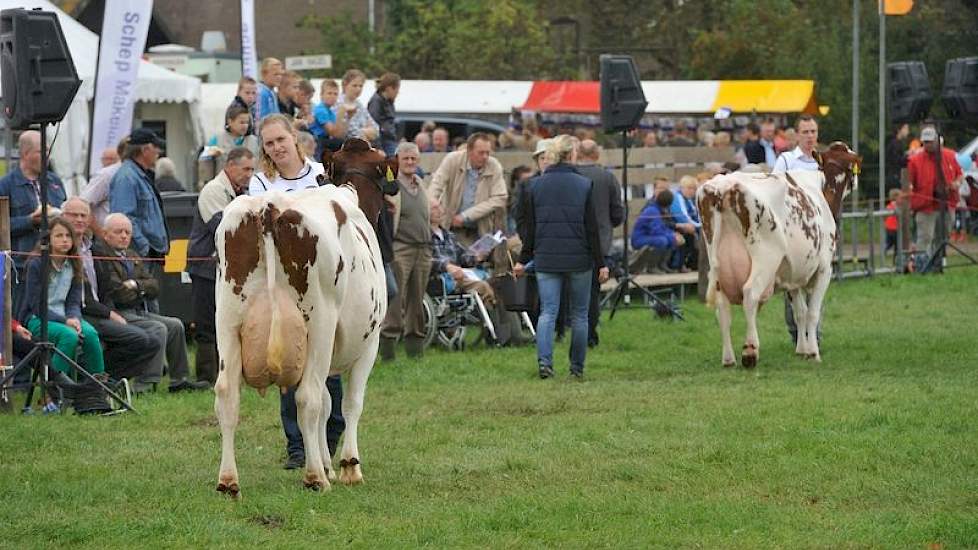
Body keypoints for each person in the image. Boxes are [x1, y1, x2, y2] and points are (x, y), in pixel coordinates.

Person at [248, 113, 344, 470]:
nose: (276, 148)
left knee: (327, 360)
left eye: (281, 140)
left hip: (324, 283)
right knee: (291, 363)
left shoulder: (321, 175)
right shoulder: (260, 183)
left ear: (294, 137)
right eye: (269, 144)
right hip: (285, 285)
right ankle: (298, 445)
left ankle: (332, 434)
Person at [514, 136, 609, 380]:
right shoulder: (584, 184)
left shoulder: (535, 186)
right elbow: (592, 229)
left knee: (548, 312)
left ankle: (545, 364)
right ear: (572, 155)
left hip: (546, 257)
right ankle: (576, 367)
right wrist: (601, 263)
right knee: (579, 315)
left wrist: (523, 260)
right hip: (579, 257)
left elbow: (531, 230)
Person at [92, 213, 209, 392]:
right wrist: (142, 289)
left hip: (139, 310)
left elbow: (155, 286)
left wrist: (135, 286)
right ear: (106, 234)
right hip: (118, 312)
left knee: (176, 325)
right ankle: (145, 383)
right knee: (157, 328)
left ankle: (180, 378)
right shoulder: (101, 256)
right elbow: (117, 294)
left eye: (127, 232)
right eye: (118, 232)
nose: (124, 236)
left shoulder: (131, 255)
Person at [62, 197, 162, 392]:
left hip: (102, 309)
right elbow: (84, 296)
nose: (79, 219)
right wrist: (110, 313)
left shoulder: (91, 248)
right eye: (74, 215)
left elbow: (114, 288)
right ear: (63, 216)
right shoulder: (63, 248)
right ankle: (100, 383)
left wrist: (133, 289)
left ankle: (106, 381)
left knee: (151, 340)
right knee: (142, 338)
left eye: (84, 215)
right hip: (78, 313)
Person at [186, 147, 255, 384]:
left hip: (225, 269)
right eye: (246, 168)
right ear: (230, 166)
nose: (250, 174)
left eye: (252, 169)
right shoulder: (214, 190)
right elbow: (223, 228)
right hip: (205, 267)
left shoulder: (240, 191)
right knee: (207, 324)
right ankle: (206, 377)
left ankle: (229, 372)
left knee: (228, 323)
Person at [17, 217, 106, 379]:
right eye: (59, 236)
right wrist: (65, 321)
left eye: (68, 236)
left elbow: (73, 301)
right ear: (48, 239)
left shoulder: (74, 264)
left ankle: (97, 386)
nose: (64, 240)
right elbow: (37, 305)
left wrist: (74, 318)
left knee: (91, 334)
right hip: (39, 318)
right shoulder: (36, 264)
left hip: (66, 317)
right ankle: (54, 390)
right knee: (69, 336)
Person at [0, 130, 68, 306]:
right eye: (41, 151)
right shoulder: (6, 185)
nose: (47, 156)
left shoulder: (54, 181)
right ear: (25, 153)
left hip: (56, 265)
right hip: (22, 267)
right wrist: (30, 221)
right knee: (24, 319)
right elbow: (1, 226)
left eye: (48, 151)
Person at [771, 116, 822, 345]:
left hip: (819, 229)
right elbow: (774, 188)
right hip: (793, 230)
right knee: (792, 282)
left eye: (813, 131)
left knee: (817, 281)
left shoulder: (822, 161)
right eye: (805, 132)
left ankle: (814, 333)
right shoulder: (786, 160)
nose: (810, 136)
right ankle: (796, 332)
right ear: (797, 134)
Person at [379, 142, 431, 360]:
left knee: (416, 301)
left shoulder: (420, 183)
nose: (410, 163)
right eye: (406, 159)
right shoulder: (391, 186)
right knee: (396, 302)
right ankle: (388, 351)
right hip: (401, 248)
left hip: (423, 249)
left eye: (413, 159)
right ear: (397, 161)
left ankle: (415, 350)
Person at [575, 139, 624, 347]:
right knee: (592, 292)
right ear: (596, 155)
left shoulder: (571, 176)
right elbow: (617, 212)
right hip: (600, 243)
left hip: (572, 240)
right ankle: (590, 336)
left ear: (578, 154)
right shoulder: (607, 177)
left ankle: (562, 332)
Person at [428, 132, 508, 247]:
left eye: (488, 153)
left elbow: (500, 198)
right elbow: (437, 184)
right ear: (469, 151)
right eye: (481, 153)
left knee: (477, 260)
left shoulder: (494, 166)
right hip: (451, 226)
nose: (485, 156)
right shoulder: (452, 160)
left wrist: (466, 216)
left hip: (480, 229)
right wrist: (433, 203)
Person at [108, 128, 170, 261]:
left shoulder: (138, 175)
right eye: (155, 147)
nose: (158, 152)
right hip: (138, 257)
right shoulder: (127, 178)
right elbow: (124, 218)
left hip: (146, 256)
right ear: (144, 150)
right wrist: (145, 248)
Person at [908, 126, 962, 258]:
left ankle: (938, 263)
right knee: (925, 237)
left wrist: (956, 183)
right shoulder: (915, 160)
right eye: (925, 142)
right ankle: (921, 264)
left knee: (943, 236)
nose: (927, 144)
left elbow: (960, 175)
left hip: (947, 204)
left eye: (930, 141)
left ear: (937, 141)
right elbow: (908, 183)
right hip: (925, 206)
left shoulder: (950, 155)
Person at [430, 200, 496, 304]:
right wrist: (446, 266)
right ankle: (490, 315)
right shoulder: (423, 237)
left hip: (462, 274)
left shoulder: (449, 235)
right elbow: (424, 260)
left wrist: (476, 257)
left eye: (440, 207)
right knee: (482, 287)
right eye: (434, 208)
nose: (440, 210)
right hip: (444, 278)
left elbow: (463, 256)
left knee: (497, 281)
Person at [630, 189, 684, 274]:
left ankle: (662, 264)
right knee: (663, 240)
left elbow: (663, 227)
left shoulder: (658, 210)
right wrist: (672, 237)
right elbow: (656, 231)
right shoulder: (652, 210)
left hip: (648, 236)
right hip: (639, 239)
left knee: (671, 238)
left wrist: (673, 234)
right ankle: (652, 267)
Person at [81, 138, 127, 231]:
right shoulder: (105, 175)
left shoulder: (133, 175)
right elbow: (83, 205)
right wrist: (101, 234)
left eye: (111, 159)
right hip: (106, 237)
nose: (108, 161)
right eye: (105, 159)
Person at [203, 105, 260, 176]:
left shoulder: (254, 141)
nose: (245, 126)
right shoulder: (217, 140)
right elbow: (204, 161)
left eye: (247, 122)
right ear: (230, 122)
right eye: (242, 122)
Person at [333, 69, 379, 144]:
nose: (358, 89)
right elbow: (349, 132)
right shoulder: (337, 103)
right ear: (345, 85)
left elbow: (376, 129)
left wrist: (363, 131)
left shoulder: (360, 105)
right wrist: (366, 130)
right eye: (354, 85)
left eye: (361, 86)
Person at [309, 79, 347, 156]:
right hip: (317, 140)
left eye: (335, 94)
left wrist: (348, 117)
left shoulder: (330, 111)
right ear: (322, 95)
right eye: (329, 93)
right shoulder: (320, 110)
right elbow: (332, 132)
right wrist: (340, 116)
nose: (332, 96)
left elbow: (340, 134)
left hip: (326, 140)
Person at [368, 72, 401, 157]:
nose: (398, 92)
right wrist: (378, 147)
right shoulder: (376, 102)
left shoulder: (389, 102)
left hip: (389, 139)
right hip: (383, 141)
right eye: (397, 89)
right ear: (389, 88)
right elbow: (373, 123)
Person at [886, 123, 911, 190]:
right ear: (899, 130)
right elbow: (897, 160)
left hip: (896, 176)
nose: (908, 131)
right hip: (896, 177)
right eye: (906, 128)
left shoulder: (896, 143)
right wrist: (909, 156)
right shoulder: (895, 143)